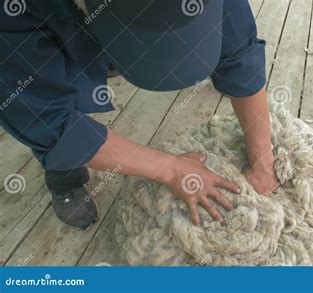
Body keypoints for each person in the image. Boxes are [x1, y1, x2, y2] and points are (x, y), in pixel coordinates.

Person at [0, 0, 278, 230]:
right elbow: (45, 117)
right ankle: (65, 177)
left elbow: (241, 54)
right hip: (48, 15)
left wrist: (262, 161)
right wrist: (171, 169)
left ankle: (117, 49)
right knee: (52, 83)